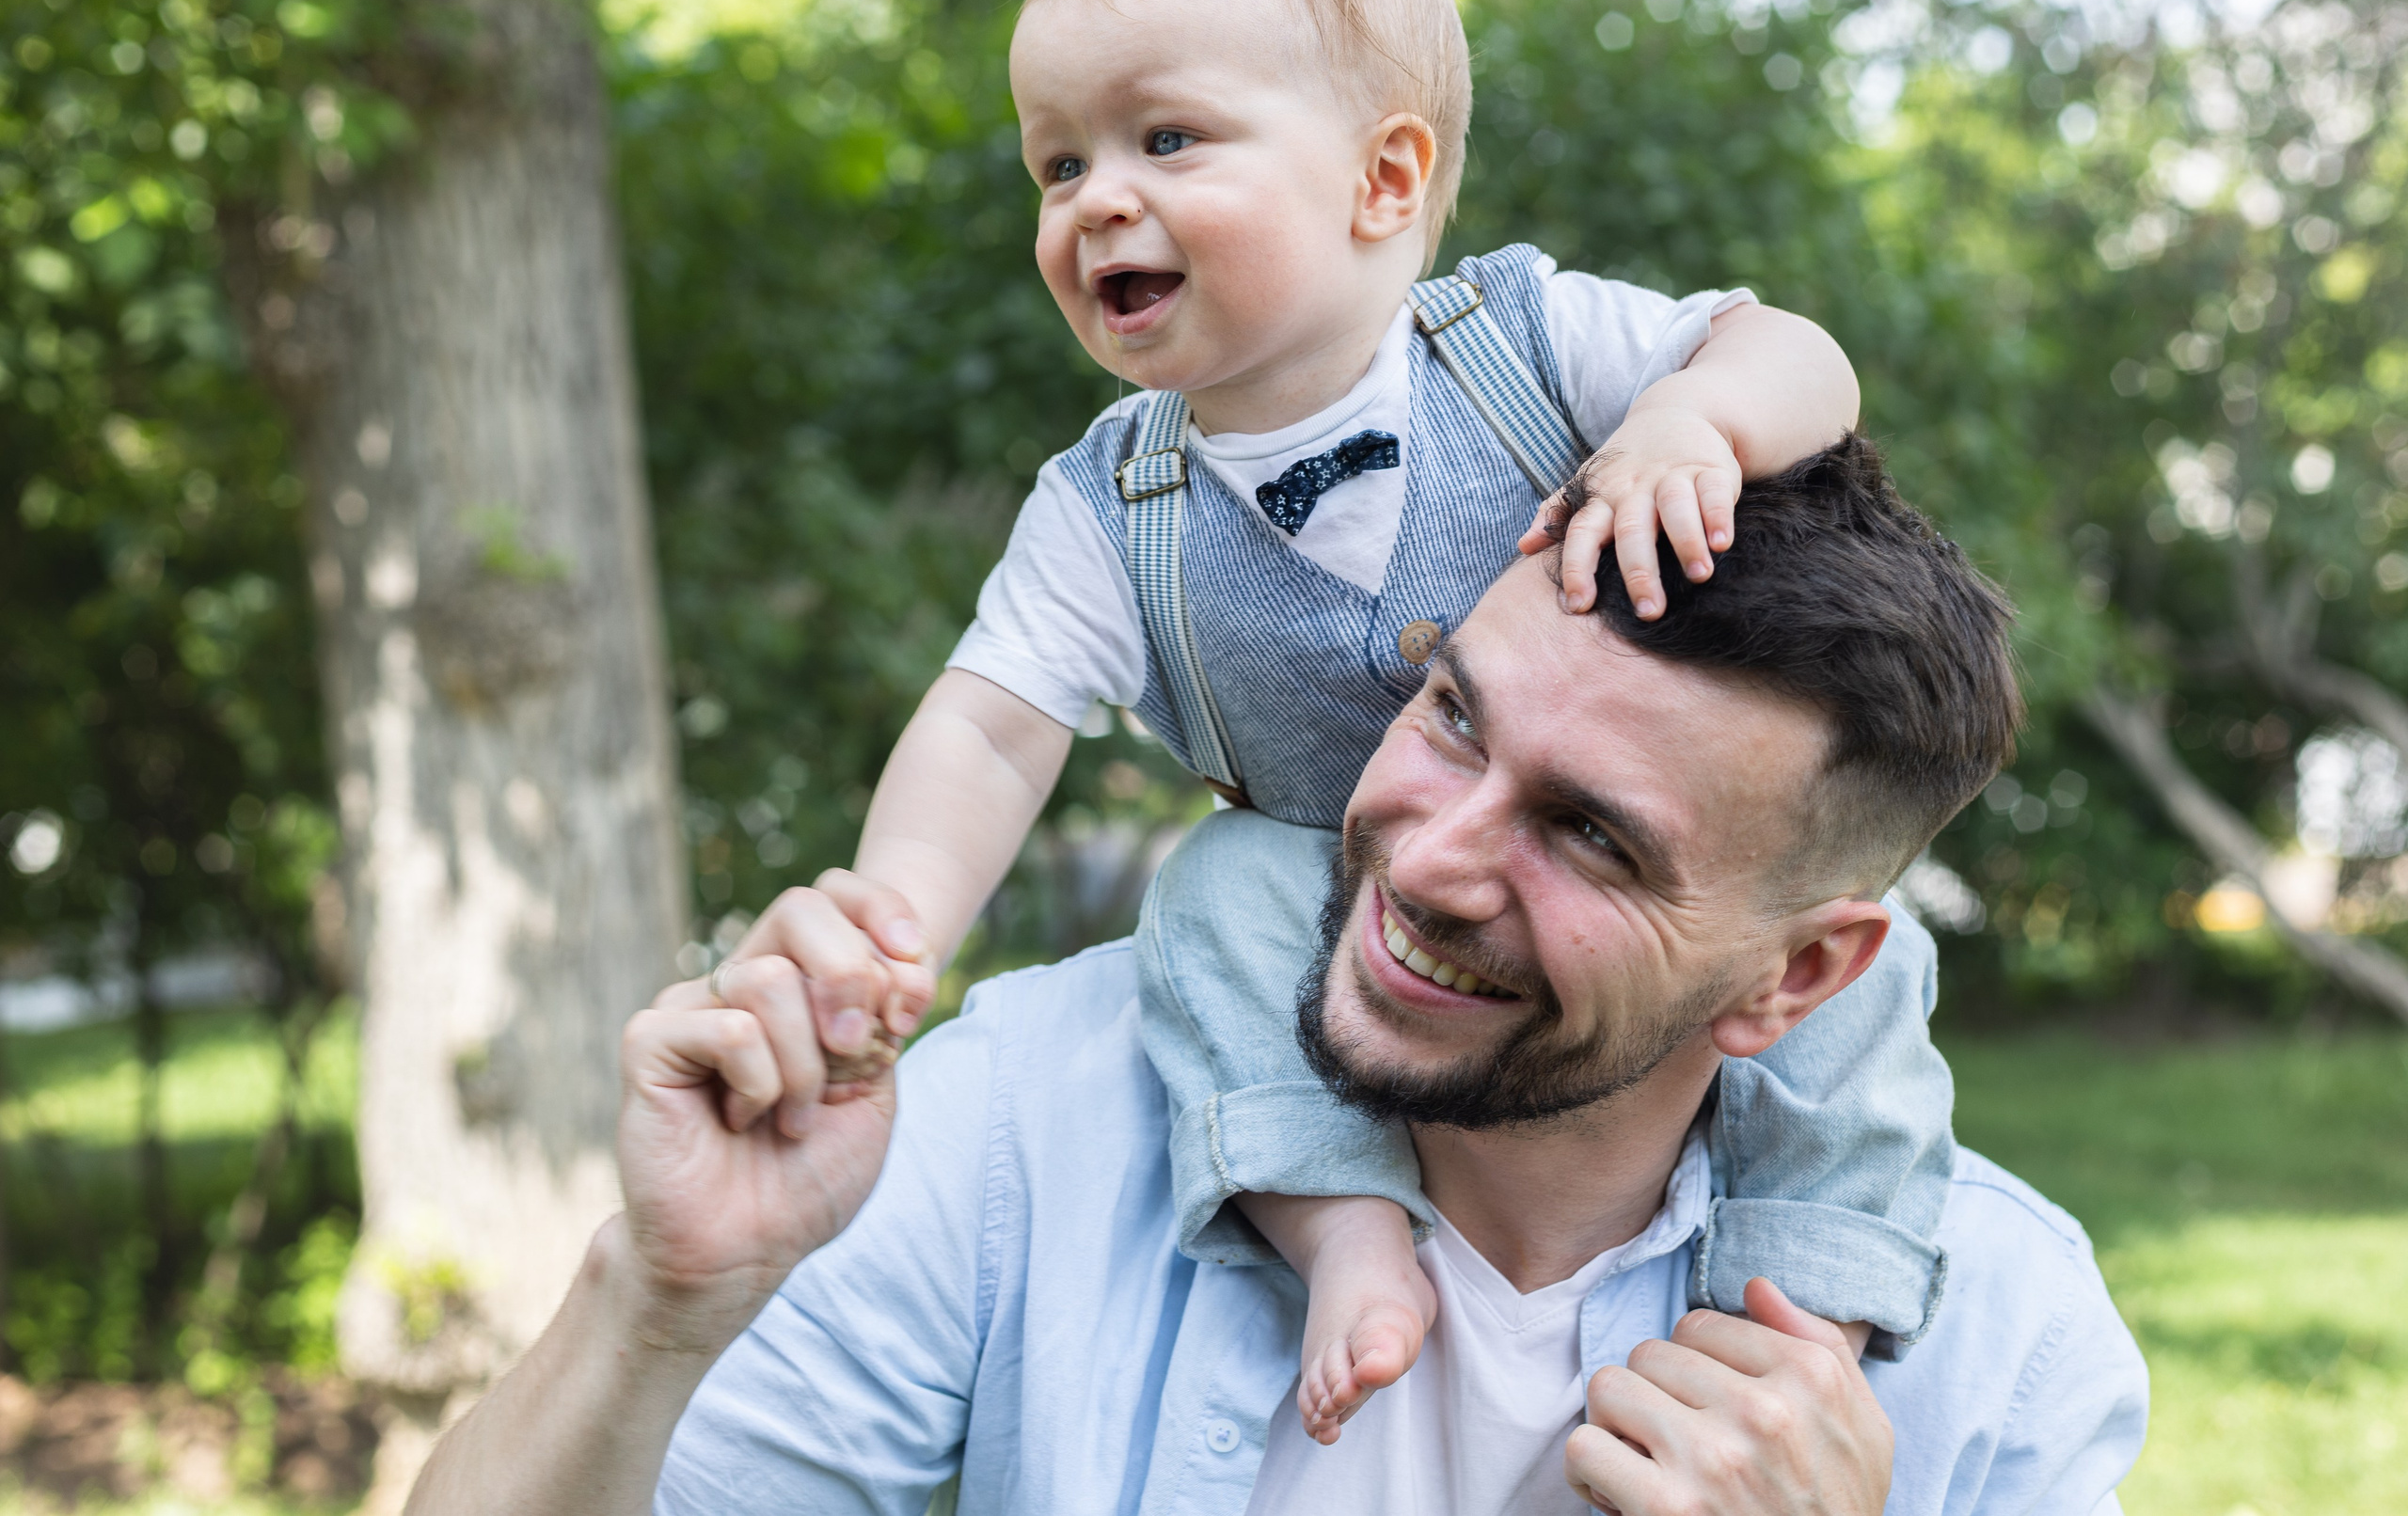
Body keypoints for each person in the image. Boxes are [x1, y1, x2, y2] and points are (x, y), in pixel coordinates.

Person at [405, 439, 2149, 1516]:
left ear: (1800, 975)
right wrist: (657, 1299)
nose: (1431, 854)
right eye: (1453, 713)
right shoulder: (1028, 1117)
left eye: (1593, 839)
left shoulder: (1994, 1347)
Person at [768, 0, 1957, 1442]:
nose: (1095, 201)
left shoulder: (1527, 340)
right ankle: (1343, 1237)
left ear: (1384, 180)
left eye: (1166, 137)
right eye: (1057, 164)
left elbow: (1795, 352)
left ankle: (1813, 1310)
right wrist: (898, 921)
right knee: (1208, 907)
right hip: (1326, 872)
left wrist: (1704, 423)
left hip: (1567, 885)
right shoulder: (1101, 505)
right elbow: (992, 727)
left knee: (1871, 980)